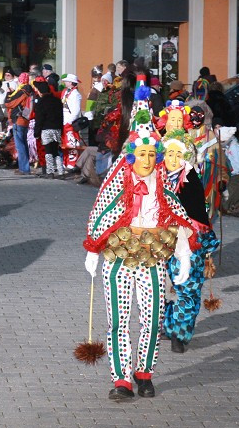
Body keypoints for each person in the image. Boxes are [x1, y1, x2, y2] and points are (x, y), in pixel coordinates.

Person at [83, 126, 195, 400]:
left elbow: (176, 218)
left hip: (152, 260)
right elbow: (102, 215)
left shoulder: (163, 185)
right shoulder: (116, 182)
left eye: (150, 154)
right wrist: (93, 252)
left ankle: (144, 374)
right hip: (118, 259)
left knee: (152, 320)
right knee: (118, 322)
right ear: (132, 156)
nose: (146, 160)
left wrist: (184, 256)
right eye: (141, 154)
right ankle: (121, 380)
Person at [160, 130, 220, 353]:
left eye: (178, 154)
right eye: (169, 153)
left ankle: (179, 332)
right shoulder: (155, 176)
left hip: (188, 241)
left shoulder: (190, 180)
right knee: (161, 290)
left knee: (188, 290)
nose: (173, 158)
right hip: (159, 244)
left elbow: (198, 216)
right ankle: (166, 324)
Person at [33, 80, 64, 179]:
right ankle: (61, 171)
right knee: (57, 151)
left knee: (48, 151)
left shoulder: (41, 102)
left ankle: (50, 172)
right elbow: (61, 116)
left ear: (40, 92)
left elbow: (39, 119)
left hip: (46, 129)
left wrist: (36, 132)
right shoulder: (57, 101)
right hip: (57, 128)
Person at [4, 73, 33, 176]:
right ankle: (25, 167)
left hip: (19, 120)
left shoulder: (22, 91)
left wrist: (8, 94)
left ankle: (24, 169)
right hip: (25, 119)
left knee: (20, 145)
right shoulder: (30, 90)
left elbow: (9, 103)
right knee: (24, 144)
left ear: (21, 81)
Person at [60, 74, 83, 171]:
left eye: (66, 81)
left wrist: (69, 121)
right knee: (65, 144)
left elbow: (76, 111)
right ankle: (65, 162)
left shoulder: (75, 94)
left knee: (72, 143)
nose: (65, 82)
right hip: (64, 121)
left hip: (70, 122)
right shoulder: (66, 92)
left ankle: (72, 163)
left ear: (71, 82)